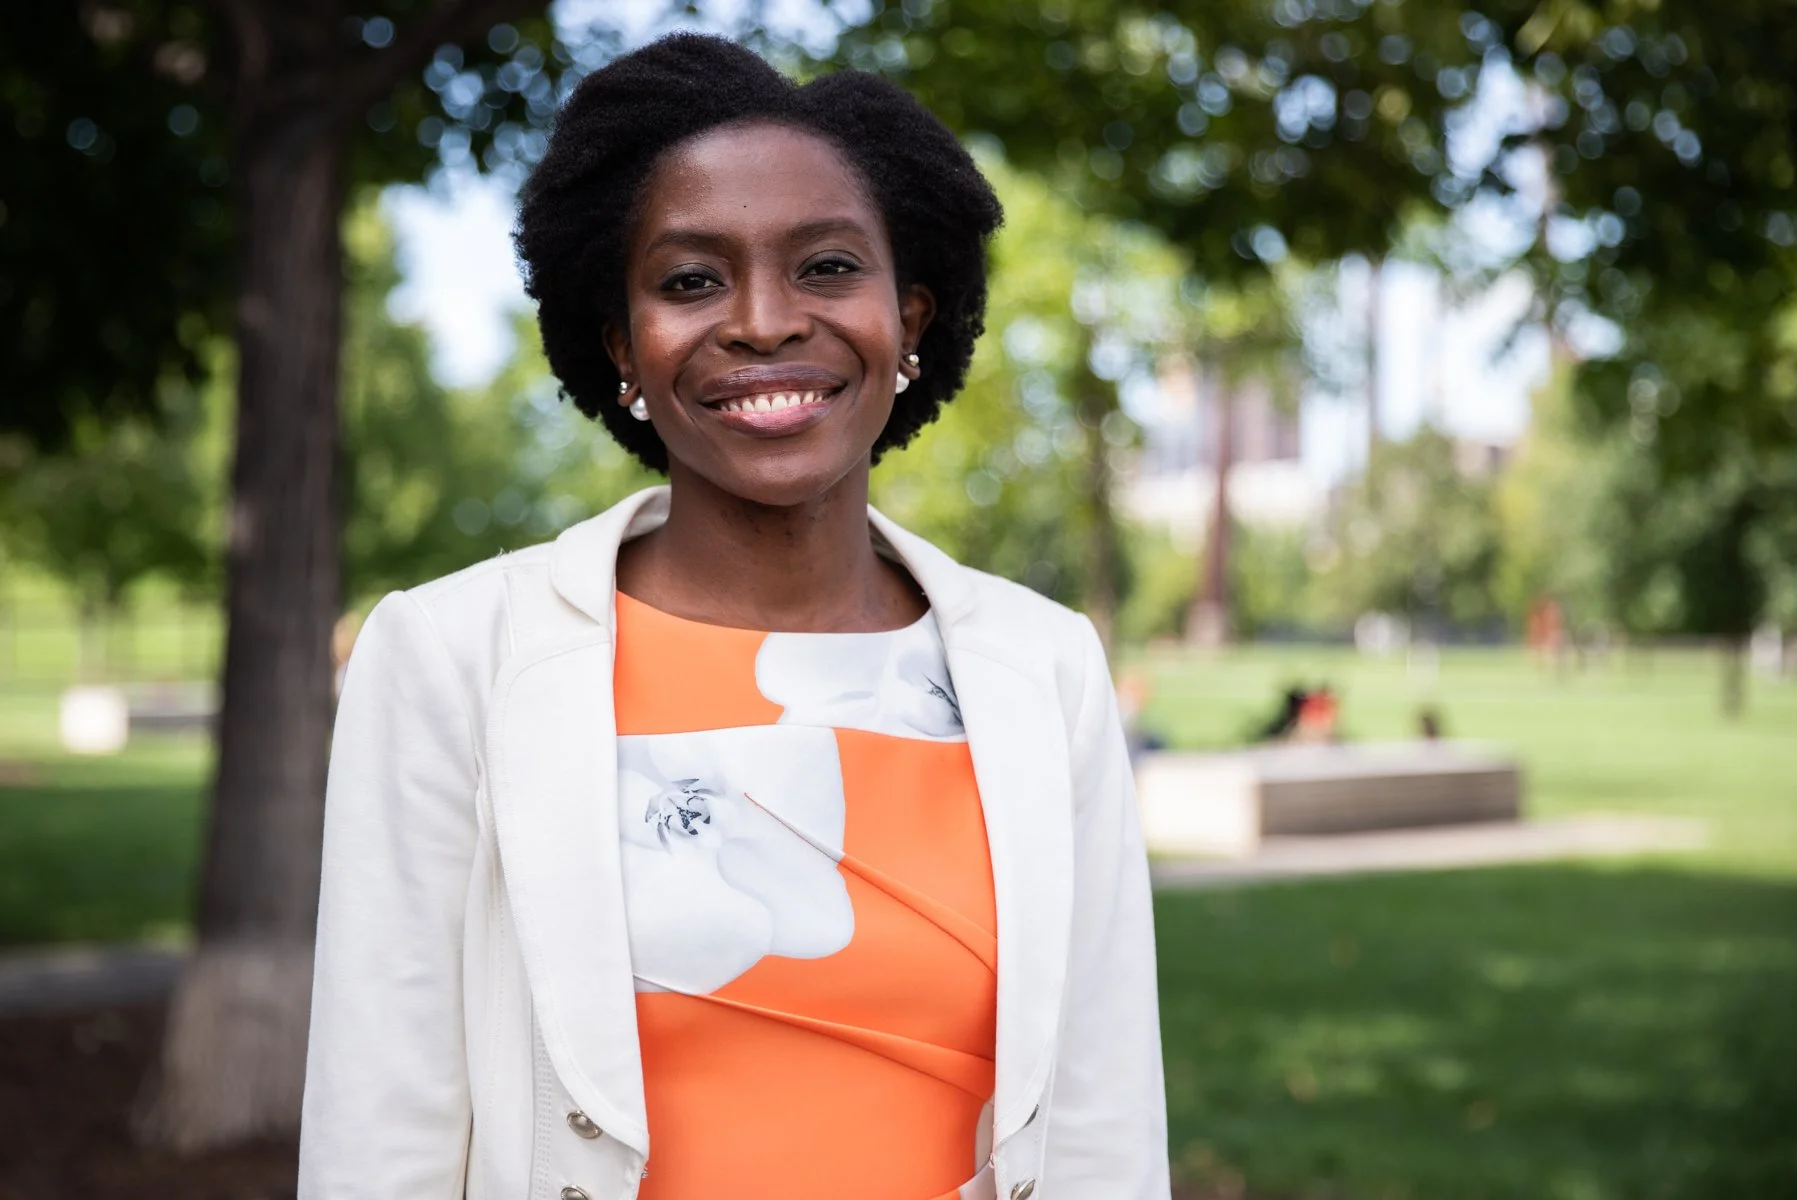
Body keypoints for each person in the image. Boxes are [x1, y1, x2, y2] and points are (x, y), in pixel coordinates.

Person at [298, 34, 1167, 1200]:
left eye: (826, 268)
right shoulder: (454, 660)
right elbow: (380, 1132)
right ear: (622, 347)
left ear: (910, 320)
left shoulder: (1041, 665)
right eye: (691, 280)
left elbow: (1106, 1126)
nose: (763, 322)